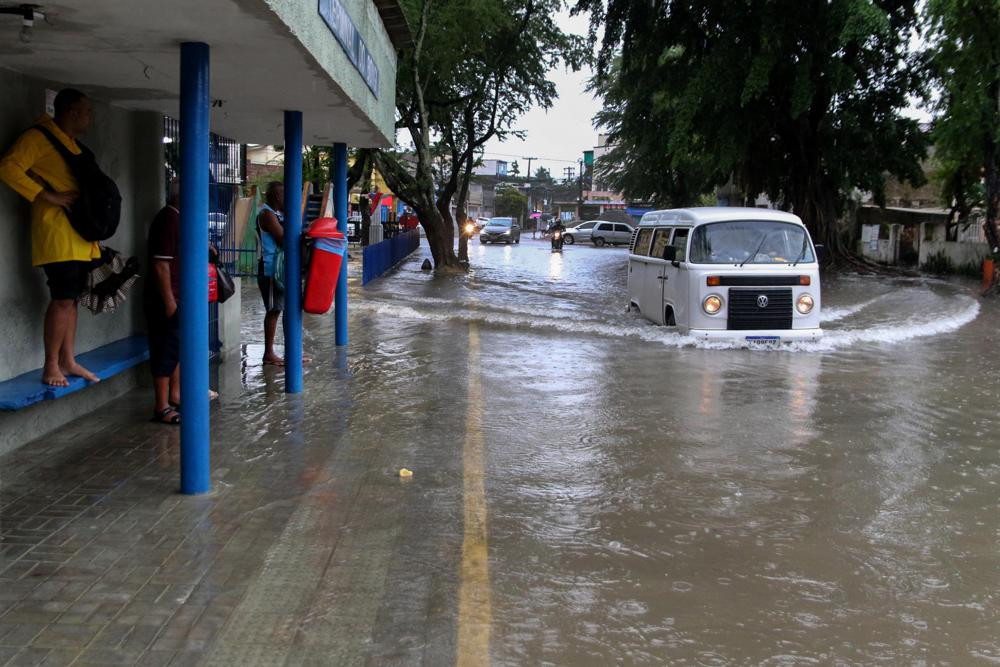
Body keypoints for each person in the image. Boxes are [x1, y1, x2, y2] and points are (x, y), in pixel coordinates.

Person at [0, 88, 101, 387]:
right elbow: (7, 167)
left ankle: (68, 360)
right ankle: (51, 365)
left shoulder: (70, 144)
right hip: (57, 233)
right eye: (87, 111)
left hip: (80, 235)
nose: (90, 117)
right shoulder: (38, 137)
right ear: (71, 112)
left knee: (73, 301)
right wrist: (46, 196)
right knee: (61, 300)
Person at [144, 182, 182, 424]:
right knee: (164, 350)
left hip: (178, 296)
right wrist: (169, 303)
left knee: (175, 348)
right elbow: (161, 264)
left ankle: (175, 396)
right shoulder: (168, 219)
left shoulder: (178, 219)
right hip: (166, 299)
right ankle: (161, 406)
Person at [256, 181, 286, 366]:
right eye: (284, 196)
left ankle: (284, 351)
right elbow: (283, 238)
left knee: (281, 308)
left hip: (279, 269)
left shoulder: (276, 213)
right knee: (274, 310)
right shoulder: (266, 214)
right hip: (270, 269)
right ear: (277, 196)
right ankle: (268, 353)